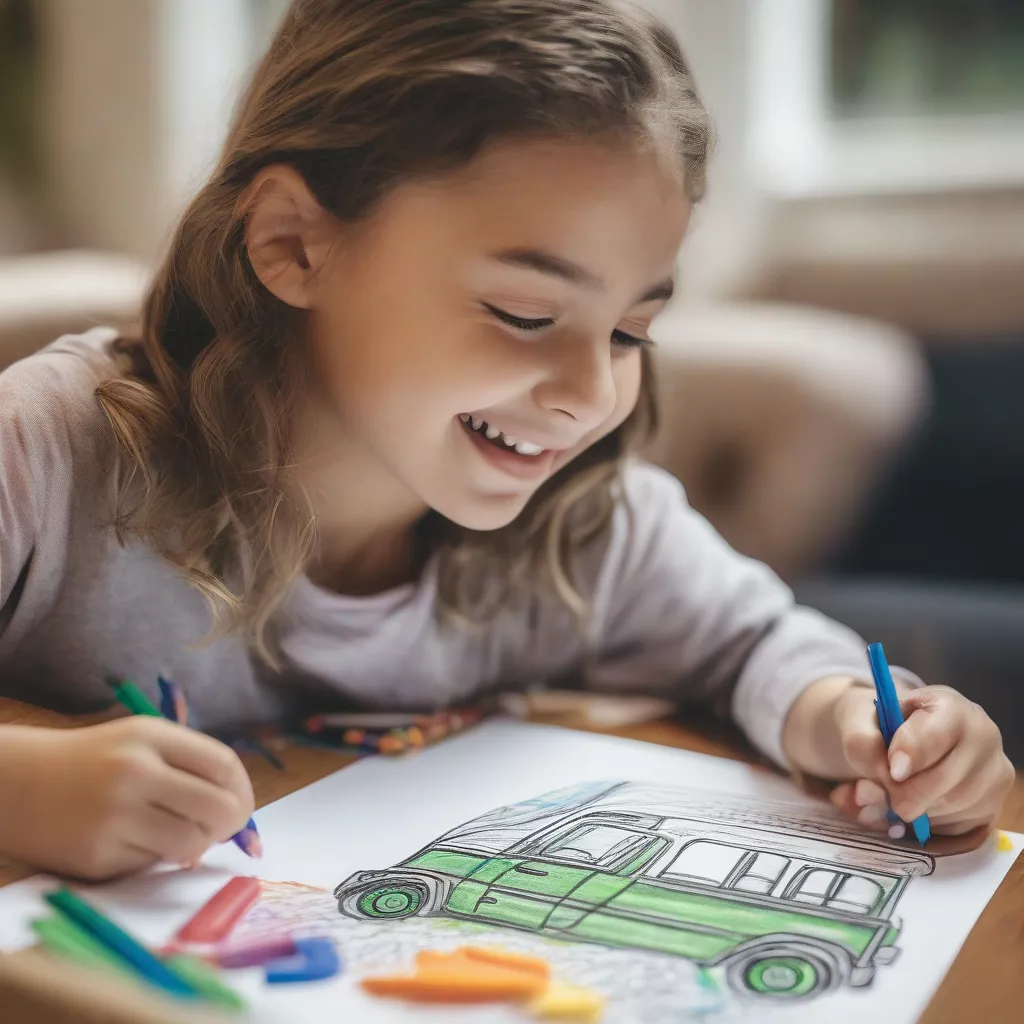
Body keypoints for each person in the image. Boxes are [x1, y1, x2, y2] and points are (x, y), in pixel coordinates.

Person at [0, 0, 1012, 881]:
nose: (588, 393)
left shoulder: (589, 524)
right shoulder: (46, 451)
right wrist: (24, 786)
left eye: (629, 332)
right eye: (526, 314)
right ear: (293, 244)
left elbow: (754, 643)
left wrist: (859, 723)